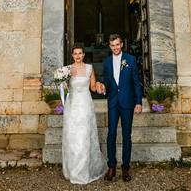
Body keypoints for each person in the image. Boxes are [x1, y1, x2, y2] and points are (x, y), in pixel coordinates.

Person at [97, 34, 143, 182]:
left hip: (128, 102)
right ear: (109, 47)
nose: (115, 47)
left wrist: (139, 102)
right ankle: (111, 167)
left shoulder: (130, 60)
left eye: (117, 44)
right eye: (112, 45)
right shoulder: (106, 62)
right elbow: (106, 81)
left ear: (121, 44)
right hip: (113, 102)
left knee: (126, 135)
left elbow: (136, 82)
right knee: (111, 134)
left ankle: (125, 167)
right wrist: (103, 87)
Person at [61, 45, 107, 184]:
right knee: (72, 137)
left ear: (83, 54)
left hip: (85, 105)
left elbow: (92, 87)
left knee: (84, 136)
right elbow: (66, 88)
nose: (78, 56)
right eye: (75, 54)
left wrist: (99, 86)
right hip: (72, 106)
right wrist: (62, 84)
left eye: (80, 53)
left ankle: (84, 171)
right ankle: (73, 170)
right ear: (72, 55)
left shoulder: (89, 68)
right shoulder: (67, 70)